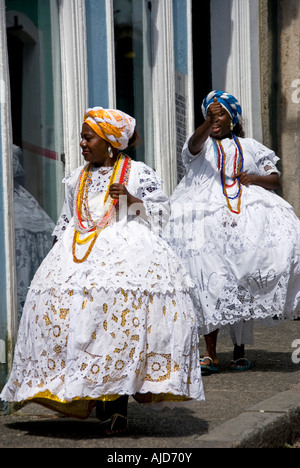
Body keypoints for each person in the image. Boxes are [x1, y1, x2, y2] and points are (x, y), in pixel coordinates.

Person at [0, 107, 204, 434]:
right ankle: (84, 395)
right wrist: (56, 254)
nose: (82, 143)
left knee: (115, 331)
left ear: (109, 141)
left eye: (87, 137)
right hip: (78, 257)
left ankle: (116, 406)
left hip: (124, 261)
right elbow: (69, 218)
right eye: (82, 136)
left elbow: (161, 215)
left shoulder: (137, 172)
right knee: (76, 326)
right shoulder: (76, 178)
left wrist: (131, 199)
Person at [166, 90, 300, 374]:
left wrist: (253, 178)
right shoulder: (202, 146)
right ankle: (211, 353)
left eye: (221, 114)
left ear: (232, 118)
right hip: (205, 218)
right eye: (210, 115)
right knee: (207, 279)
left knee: (243, 276)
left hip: (245, 215)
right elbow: (192, 145)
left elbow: (275, 179)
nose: (215, 119)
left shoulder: (250, 146)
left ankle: (239, 349)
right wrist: (206, 123)